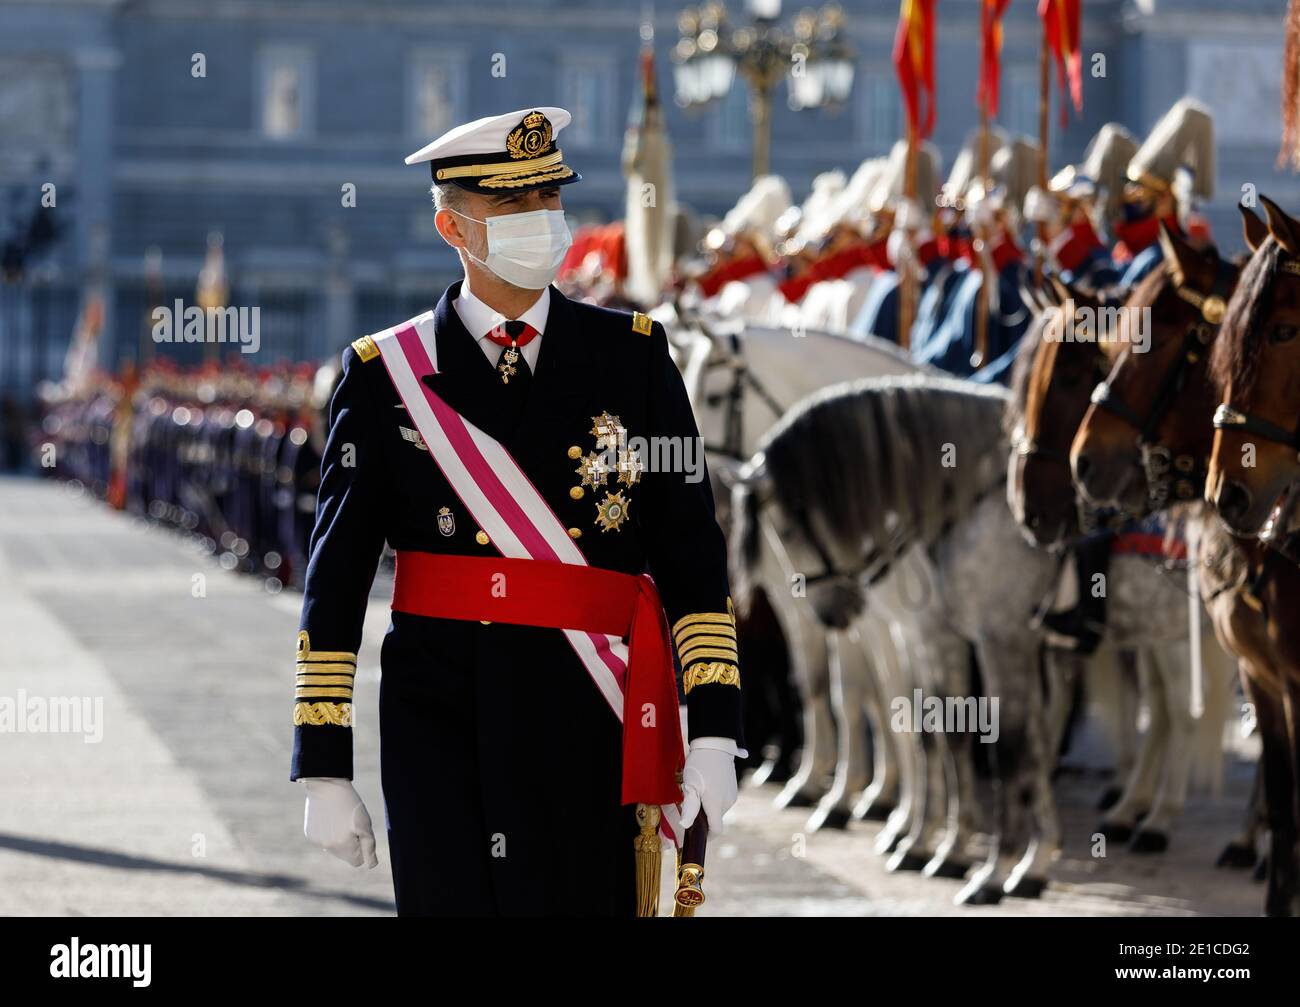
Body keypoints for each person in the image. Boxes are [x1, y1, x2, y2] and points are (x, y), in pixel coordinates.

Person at [292, 107, 745, 916]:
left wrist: (713, 724)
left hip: (594, 714)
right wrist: (324, 763)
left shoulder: (634, 356)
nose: (542, 224)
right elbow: (335, 584)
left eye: (549, 202)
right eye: (513, 208)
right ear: (452, 227)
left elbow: (691, 555)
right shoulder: (384, 375)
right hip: (444, 726)